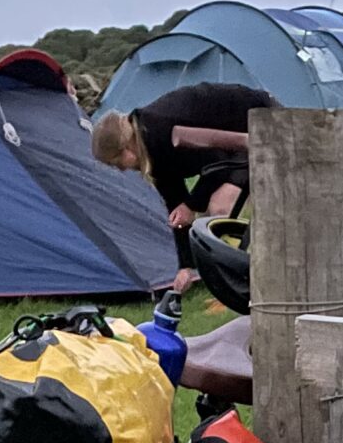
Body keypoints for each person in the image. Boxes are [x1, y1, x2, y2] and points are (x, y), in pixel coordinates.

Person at [91, 82, 277, 289]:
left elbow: (220, 161)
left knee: (219, 207)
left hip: (261, 122)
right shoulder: (151, 153)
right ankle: (231, 281)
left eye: (116, 162)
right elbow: (176, 208)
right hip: (234, 148)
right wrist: (185, 266)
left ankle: (240, 281)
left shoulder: (164, 132)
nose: (121, 169)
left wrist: (191, 205)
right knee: (208, 215)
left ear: (126, 146)